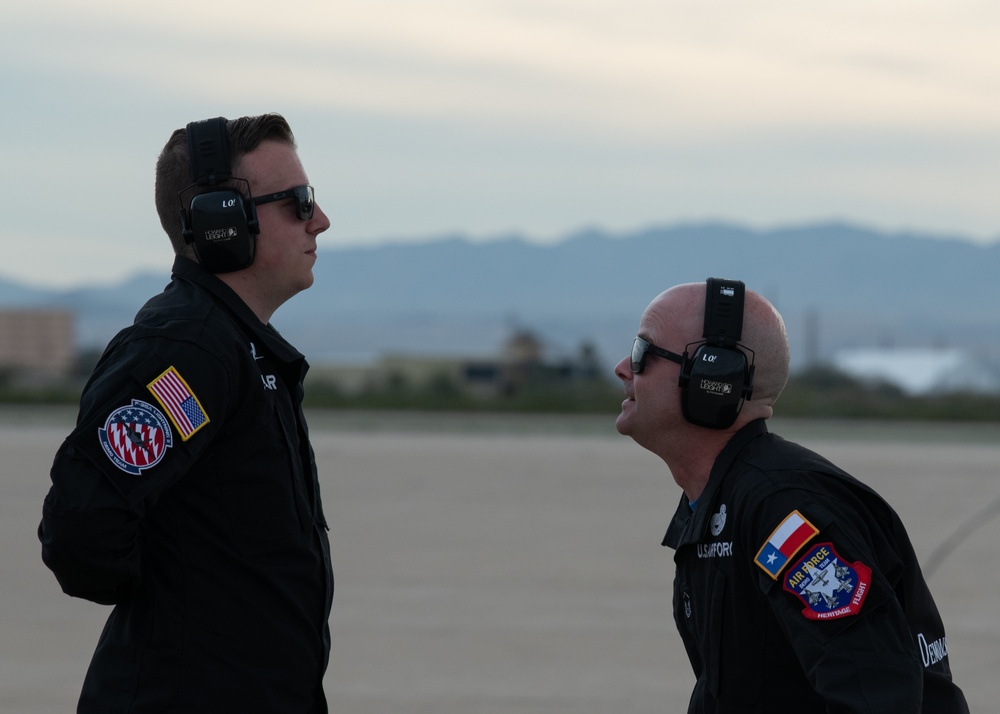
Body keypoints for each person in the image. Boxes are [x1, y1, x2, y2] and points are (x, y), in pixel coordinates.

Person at [39, 114, 334, 712]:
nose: (320, 220)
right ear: (223, 221)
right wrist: (182, 617)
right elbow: (82, 528)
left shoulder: (237, 349)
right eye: (299, 202)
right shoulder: (186, 352)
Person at [613, 278, 969, 713]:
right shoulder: (720, 502)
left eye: (642, 352)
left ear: (712, 377)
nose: (623, 368)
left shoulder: (784, 509)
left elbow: (877, 698)